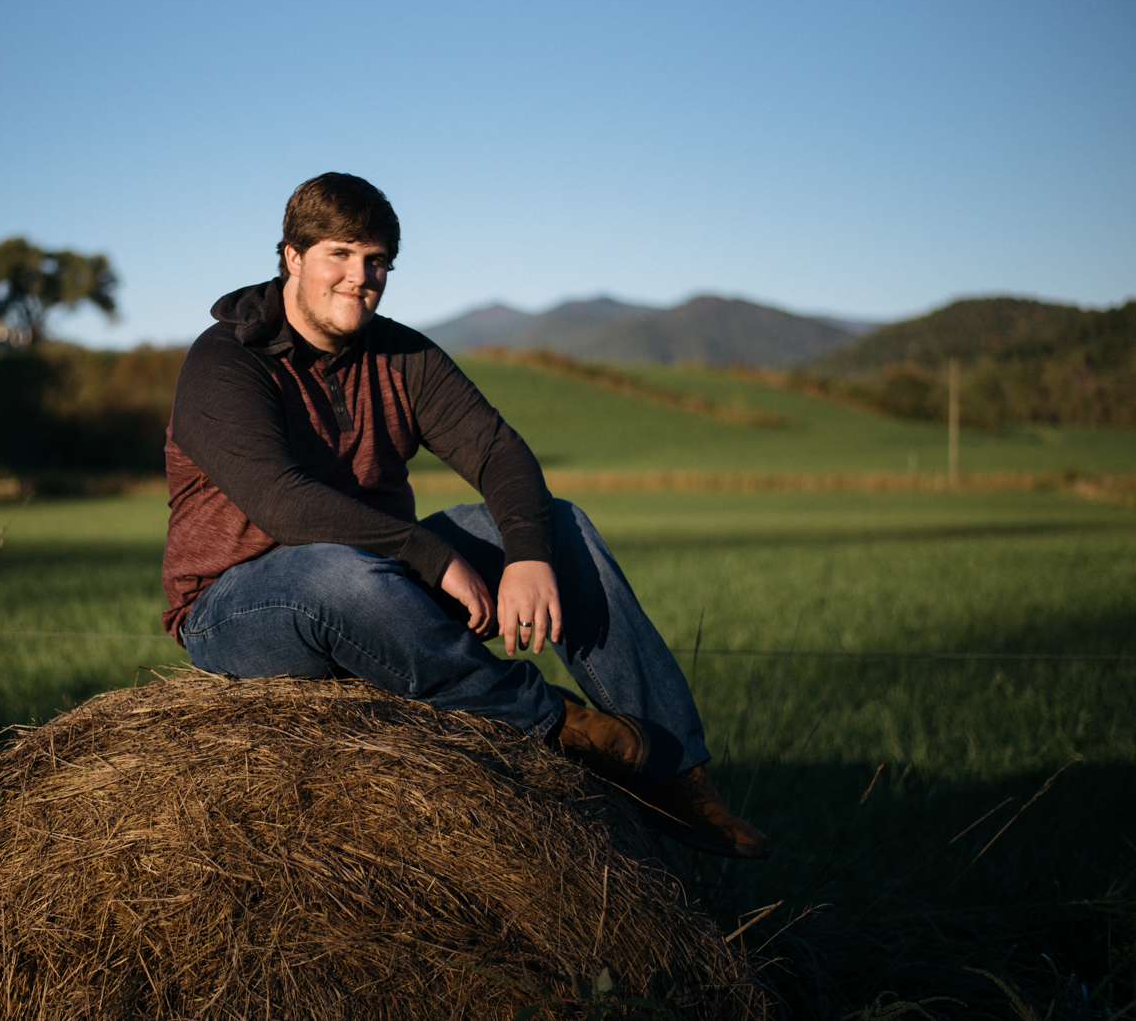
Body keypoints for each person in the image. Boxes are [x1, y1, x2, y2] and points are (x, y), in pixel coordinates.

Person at [161, 173, 767, 860]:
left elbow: (498, 451)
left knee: (558, 524)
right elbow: (282, 501)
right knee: (337, 572)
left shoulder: (401, 355)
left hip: (382, 577)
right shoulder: (225, 363)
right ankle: (554, 724)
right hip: (241, 607)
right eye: (340, 254)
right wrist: (434, 556)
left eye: (378, 261)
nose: (361, 277)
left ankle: (675, 773)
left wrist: (530, 554)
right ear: (292, 257)